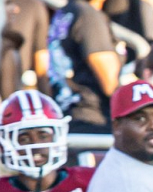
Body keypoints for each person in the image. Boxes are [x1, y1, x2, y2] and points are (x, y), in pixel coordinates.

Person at [47, 0, 121, 133]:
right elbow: (111, 84)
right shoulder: (87, 15)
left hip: (68, 114)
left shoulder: (66, 12)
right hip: (92, 119)